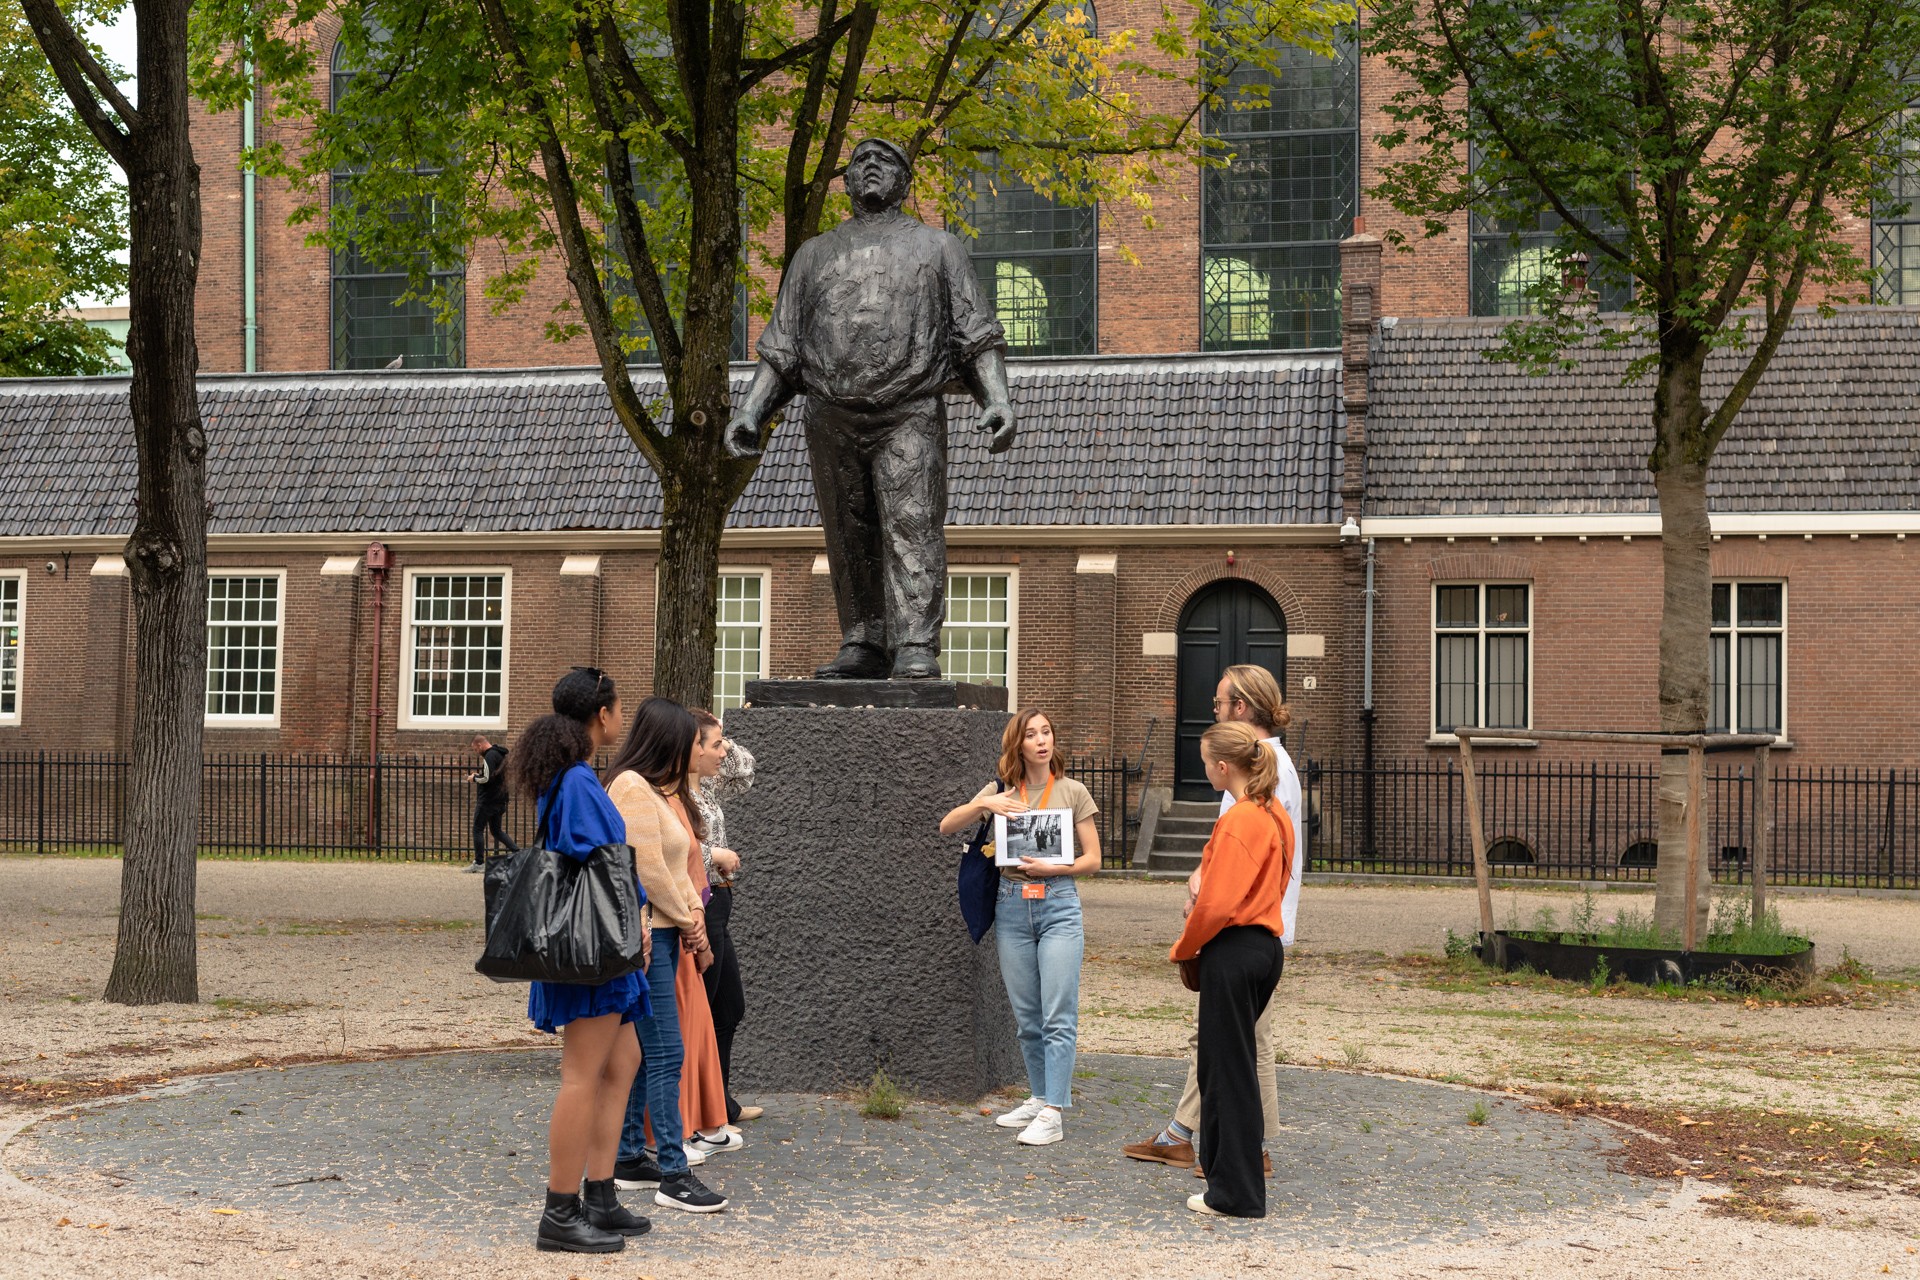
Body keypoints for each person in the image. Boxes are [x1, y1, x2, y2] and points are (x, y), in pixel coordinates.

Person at [723, 136, 1014, 680]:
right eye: (861, 162)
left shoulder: (938, 248)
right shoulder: (813, 255)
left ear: (904, 182)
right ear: (848, 181)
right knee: (847, 531)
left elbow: (976, 333)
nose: (872, 168)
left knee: (913, 523)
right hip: (830, 414)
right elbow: (781, 346)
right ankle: (863, 638)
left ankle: (915, 643)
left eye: (886, 162)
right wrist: (750, 411)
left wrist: (995, 398)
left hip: (907, 410)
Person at [1124, 664, 1302, 1175]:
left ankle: (1250, 1150)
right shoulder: (1257, 770)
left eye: (1220, 704)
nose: (1216, 710)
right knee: (1224, 1037)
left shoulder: (1266, 773)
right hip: (1249, 927)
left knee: (1245, 1040)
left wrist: (1199, 921)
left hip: (1249, 929)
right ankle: (1188, 1134)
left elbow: (1256, 856)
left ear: (1241, 709)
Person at [507, 668, 651, 1252]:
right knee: (582, 1074)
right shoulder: (578, 783)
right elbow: (607, 863)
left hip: (589, 946)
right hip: (591, 949)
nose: (622, 716)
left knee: (621, 1063)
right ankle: (560, 1211)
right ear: (603, 715)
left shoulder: (567, 779)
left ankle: (598, 1194)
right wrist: (638, 916)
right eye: (619, 708)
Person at [938, 709, 1100, 1146]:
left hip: (1059, 904)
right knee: (1027, 1017)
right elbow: (946, 825)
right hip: (1011, 906)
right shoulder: (1000, 790)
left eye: (1047, 731)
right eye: (1032, 735)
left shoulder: (1072, 790)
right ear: (1019, 745)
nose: (1042, 740)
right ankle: (1039, 1094)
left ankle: (1053, 1112)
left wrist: (1054, 867)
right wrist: (984, 803)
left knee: (1057, 1013)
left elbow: (1094, 859)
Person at [603, 697, 729, 1214]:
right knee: (665, 1053)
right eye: (686, 744)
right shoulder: (632, 787)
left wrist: (689, 918)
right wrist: (688, 918)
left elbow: (671, 866)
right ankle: (674, 1174)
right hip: (652, 937)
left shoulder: (652, 789)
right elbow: (647, 869)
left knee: (644, 1053)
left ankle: (632, 1154)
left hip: (667, 931)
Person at [1173, 721, 1294, 1219]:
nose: (1204, 770)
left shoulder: (1242, 817)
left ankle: (1235, 1194)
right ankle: (1232, 1186)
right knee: (1231, 1068)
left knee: (1226, 1073)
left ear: (1224, 767)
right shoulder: (1274, 812)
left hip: (1235, 948)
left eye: (1205, 762)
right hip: (1263, 947)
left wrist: (1185, 948)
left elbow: (1217, 900)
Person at [689, 709, 760, 1125]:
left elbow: (745, 773)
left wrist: (724, 739)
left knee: (729, 1006)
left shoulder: (708, 784)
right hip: (702, 901)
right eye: (714, 745)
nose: (723, 752)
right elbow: (662, 847)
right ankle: (703, 1109)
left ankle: (719, 1101)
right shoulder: (676, 791)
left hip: (720, 900)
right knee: (704, 1007)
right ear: (691, 748)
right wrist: (713, 855)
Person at [466, 734, 517, 872]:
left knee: (477, 829)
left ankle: (479, 862)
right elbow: (494, 777)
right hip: (500, 799)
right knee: (496, 830)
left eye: (475, 750)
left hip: (488, 800)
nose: (476, 753)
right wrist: (479, 776)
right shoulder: (500, 755)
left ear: (480, 745)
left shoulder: (489, 756)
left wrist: (474, 779)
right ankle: (517, 853)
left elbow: (487, 779)